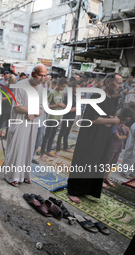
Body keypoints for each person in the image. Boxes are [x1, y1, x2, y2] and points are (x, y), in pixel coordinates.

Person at [67, 73, 122, 204]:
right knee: (85, 161)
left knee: (96, 162)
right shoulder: (97, 95)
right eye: (118, 83)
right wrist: (112, 120)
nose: (120, 86)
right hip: (90, 136)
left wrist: (110, 120)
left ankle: (87, 189)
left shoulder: (111, 99)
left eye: (121, 83)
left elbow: (105, 116)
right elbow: (92, 118)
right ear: (108, 83)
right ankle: (73, 190)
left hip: (102, 136)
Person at [3, 64, 47, 187]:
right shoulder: (21, 85)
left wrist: (35, 114)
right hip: (20, 122)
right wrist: (33, 111)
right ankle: (12, 176)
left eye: (44, 76)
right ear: (33, 74)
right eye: (40, 75)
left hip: (32, 123)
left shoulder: (42, 88)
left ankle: (25, 175)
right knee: (17, 148)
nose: (42, 78)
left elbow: (41, 108)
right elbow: (18, 107)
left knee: (28, 148)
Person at [39, 77, 67, 161]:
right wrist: (57, 105)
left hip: (58, 117)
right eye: (62, 86)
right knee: (47, 135)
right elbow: (47, 106)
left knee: (53, 135)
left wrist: (63, 106)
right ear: (57, 84)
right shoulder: (52, 93)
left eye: (64, 87)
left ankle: (48, 151)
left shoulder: (61, 94)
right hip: (51, 117)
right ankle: (42, 153)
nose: (62, 88)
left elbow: (62, 104)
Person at [104, 108, 132, 188]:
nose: (125, 122)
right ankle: (100, 179)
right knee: (106, 164)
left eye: (127, 121)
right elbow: (118, 137)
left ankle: (105, 178)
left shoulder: (122, 124)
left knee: (111, 164)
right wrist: (126, 136)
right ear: (119, 117)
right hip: (112, 147)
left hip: (118, 147)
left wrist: (126, 133)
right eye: (124, 120)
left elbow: (125, 134)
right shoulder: (114, 124)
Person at [56, 81, 77, 156]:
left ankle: (65, 147)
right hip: (67, 116)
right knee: (62, 132)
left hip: (72, 116)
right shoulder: (68, 96)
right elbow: (63, 105)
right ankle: (57, 149)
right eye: (76, 88)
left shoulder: (74, 95)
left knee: (67, 132)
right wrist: (72, 109)